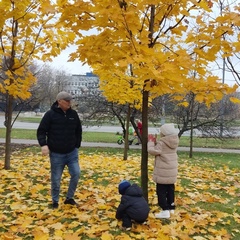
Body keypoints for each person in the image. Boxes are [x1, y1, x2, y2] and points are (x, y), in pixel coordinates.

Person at [37, 91, 82, 209]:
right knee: (56, 179)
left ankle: (69, 198)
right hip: (56, 154)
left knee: (76, 174)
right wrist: (44, 145)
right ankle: (55, 202)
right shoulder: (50, 115)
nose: (69, 103)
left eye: (70, 100)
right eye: (67, 101)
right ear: (59, 101)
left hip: (72, 152)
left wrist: (77, 145)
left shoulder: (73, 114)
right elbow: (41, 131)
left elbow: (78, 130)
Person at [147, 123, 179, 219]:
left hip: (163, 172)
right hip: (171, 171)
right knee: (170, 189)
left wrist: (151, 142)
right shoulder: (174, 141)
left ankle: (164, 210)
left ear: (164, 133)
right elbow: (163, 149)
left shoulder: (162, 143)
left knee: (161, 191)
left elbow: (153, 151)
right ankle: (171, 207)